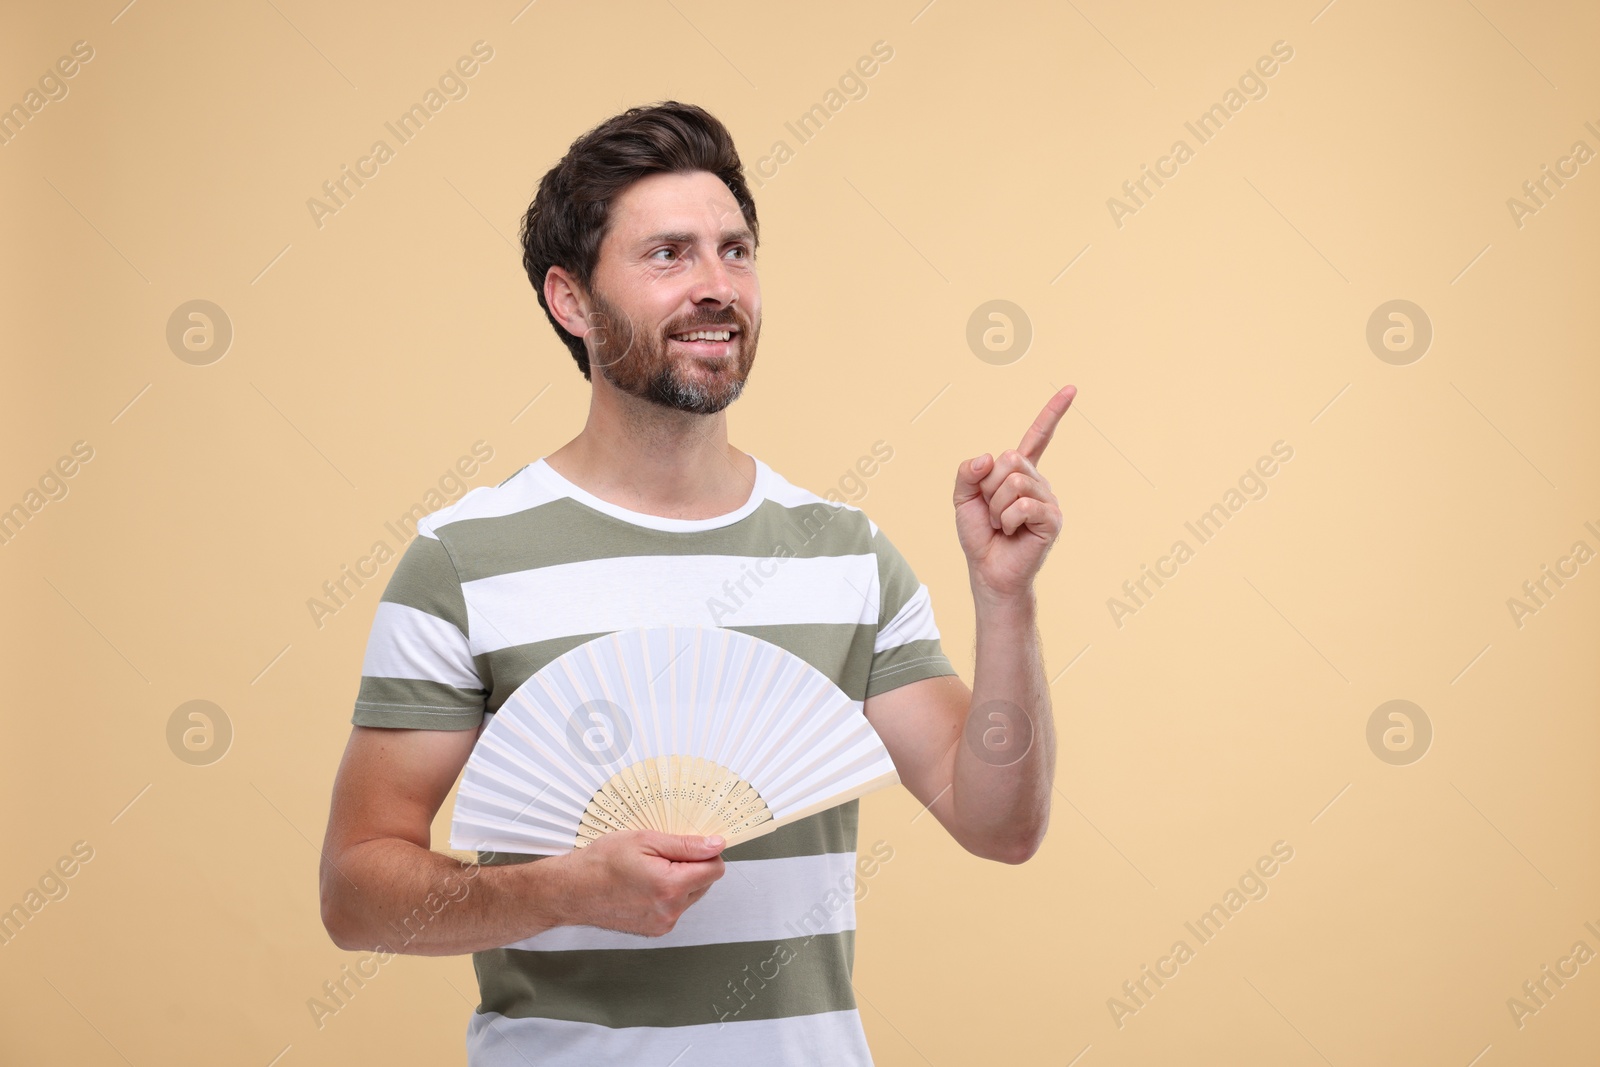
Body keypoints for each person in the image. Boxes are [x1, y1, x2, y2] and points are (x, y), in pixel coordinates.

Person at [318, 100, 1072, 1066]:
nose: (718, 286)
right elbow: (356, 892)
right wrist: (559, 890)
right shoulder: (465, 560)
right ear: (571, 301)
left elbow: (1000, 824)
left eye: (736, 250)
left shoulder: (842, 554)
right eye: (668, 254)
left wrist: (1007, 601)